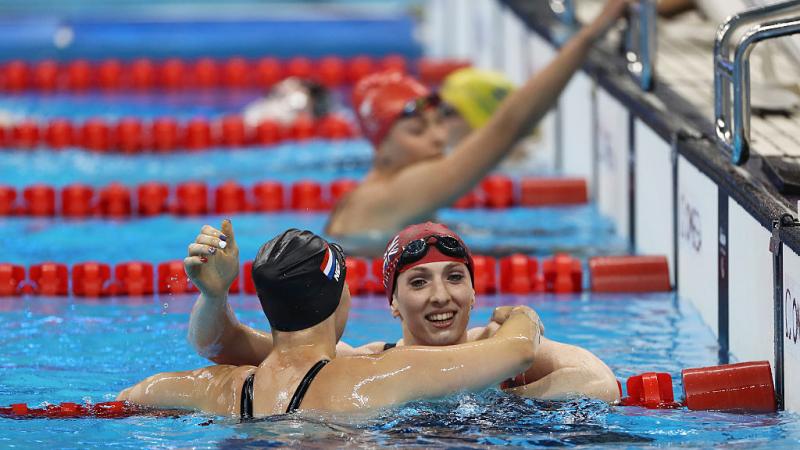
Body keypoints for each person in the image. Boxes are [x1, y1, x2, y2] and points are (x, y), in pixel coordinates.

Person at [118, 223, 542, 417]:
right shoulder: (381, 373)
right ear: (341, 296)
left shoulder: (225, 388)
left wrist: (214, 294)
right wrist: (519, 314)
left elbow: (132, 396)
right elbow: (521, 349)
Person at [187, 221, 619, 403]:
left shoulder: (496, 349)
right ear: (392, 303)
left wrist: (504, 401)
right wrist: (214, 295)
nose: (439, 296)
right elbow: (222, 343)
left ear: (473, 292)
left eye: (454, 277)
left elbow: (600, 383)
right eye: (418, 282)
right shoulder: (367, 364)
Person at [324, 0, 633, 254]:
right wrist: (588, 38)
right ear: (382, 148)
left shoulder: (381, 192)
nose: (438, 138)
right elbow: (507, 127)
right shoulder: (392, 194)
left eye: (439, 123)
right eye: (418, 131)